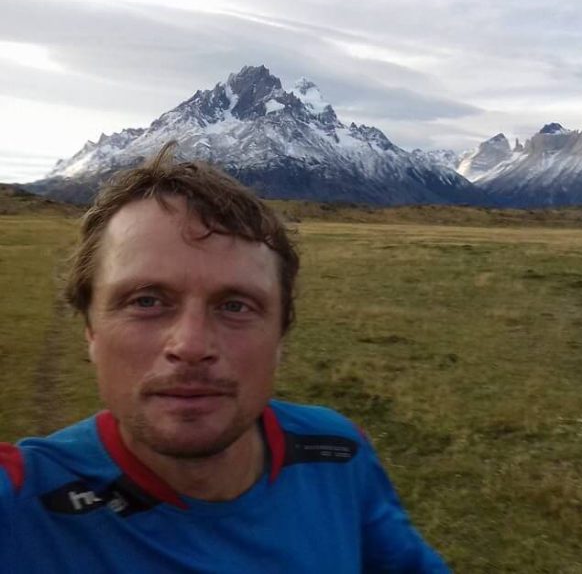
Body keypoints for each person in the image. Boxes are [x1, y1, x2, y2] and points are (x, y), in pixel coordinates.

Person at [0, 145, 450, 572]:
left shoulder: (337, 454)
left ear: (280, 336)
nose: (191, 345)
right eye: (146, 301)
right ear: (91, 329)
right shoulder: (24, 500)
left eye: (235, 306)